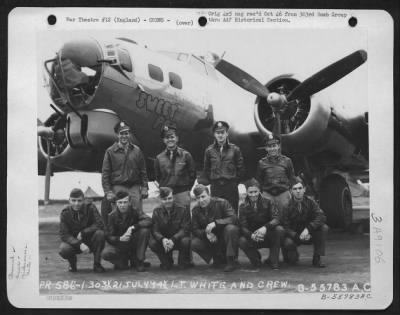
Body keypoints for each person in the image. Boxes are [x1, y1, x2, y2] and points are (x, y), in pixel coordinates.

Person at [101, 120, 149, 224]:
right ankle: (118, 238)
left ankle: (137, 235)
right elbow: (105, 174)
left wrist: (145, 187)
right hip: (118, 186)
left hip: (134, 186)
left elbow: (143, 171)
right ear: (117, 135)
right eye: (121, 133)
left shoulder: (137, 151)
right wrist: (108, 191)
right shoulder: (110, 151)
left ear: (129, 134)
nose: (124, 136)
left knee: (137, 213)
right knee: (118, 214)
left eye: (126, 133)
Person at [191, 184, 240, 272]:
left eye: (203, 196)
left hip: (225, 235)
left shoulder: (222, 202)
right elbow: (194, 229)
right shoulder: (195, 210)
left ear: (209, 194)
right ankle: (217, 258)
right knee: (194, 243)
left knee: (231, 229)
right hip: (211, 239)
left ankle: (231, 261)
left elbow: (234, 218)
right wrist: (207, 234)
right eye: (198, 198)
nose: (201, 200)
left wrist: (216, 223)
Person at [281, 177, 328, 268]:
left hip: (308, 233)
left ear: (304, 189)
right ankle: (292, 253)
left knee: (323, 228)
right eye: (295, 189)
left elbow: (321, 216)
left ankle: (317, 258)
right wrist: (296, 236)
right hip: (294, 236)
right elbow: (285, 226)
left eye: (300, 188)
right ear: (291, 191)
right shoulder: (286, 206)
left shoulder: (311, 202)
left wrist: (308, 229)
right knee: (290, 257)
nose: (298, 191)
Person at [238, 179, 285, 270]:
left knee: (279, 230)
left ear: (259, 191)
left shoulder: (269, 201)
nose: (253, 195)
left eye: (255, 191)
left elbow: (276, 219)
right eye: (250, 192)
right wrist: (251, 235)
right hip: (253, 236)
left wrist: (265, 228)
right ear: (247, 192)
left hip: (267, 234)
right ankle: (256, 259)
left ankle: (273, 260)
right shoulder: (243, 206)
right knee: (241, 240)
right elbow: (243, 226)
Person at [200, 121, 244, 214]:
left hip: (230, 187)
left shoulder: (235, 149)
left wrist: (234, 182)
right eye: (218, 133)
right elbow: (206, 169)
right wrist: (213, 181)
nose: (220, 135)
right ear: (214, 134)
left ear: (227, 133)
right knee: (216, 213)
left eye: (222, 132)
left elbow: (240, 168)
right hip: (216, 187)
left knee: (232, 213)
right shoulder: (209, 150)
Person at [101, 191, 152, 271]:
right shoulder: (111, 216)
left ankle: (139, 261)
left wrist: (133, 227)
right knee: (105, 253)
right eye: (120, 202)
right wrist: (119, 239)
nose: (122, 205)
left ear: (129, 203)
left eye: (125, 202)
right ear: (116, 203)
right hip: (120, 244)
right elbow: (108, 236)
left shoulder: (135, 211)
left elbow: (149, 220)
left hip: (133, 242)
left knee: (145, 231)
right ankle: (121, 261)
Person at [59, 188, 106, 273]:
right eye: (73, 200)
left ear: (83, 200)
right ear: (69, 200)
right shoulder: (65, 213)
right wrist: (79, 244)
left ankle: (97, 264)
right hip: (75, 243)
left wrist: (84, 232)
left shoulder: (91, 207)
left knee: (100, 234)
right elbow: (64, 235)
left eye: (79, 201)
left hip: (90, 241)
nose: (76, 203)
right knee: (64, 249)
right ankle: (72, 265)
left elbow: (100, 224)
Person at [154, 125, 196, 210]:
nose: (170, 140)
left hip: (182, 193)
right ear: (164, 140)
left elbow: (192, 174)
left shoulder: (186, 155)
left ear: (177, 138)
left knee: (184, 219)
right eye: (167, 137)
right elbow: (158, 177)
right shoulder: (159, 158)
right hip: (166, 194)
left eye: (172, 137)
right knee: (167, 219)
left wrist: (186, 189)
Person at [149, 187, 192, 270]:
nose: (168, 201)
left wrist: (173, 239)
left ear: (173, 198)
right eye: (165, 199)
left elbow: (185, 228)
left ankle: (182, 261)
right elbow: (155, 230)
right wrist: (163, 239)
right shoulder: (156, 211)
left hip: (178, 240)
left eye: (170, 198)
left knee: (186, 240)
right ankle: (166, 260)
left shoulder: (183, 209)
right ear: (161, 200)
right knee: (152, 243)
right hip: (164, 241)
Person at [255, 134, 296, 216]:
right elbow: (259, 180)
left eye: (274, 146)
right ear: (266, 148)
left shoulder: (287, 161)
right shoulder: (261, 163)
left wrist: (290, 193)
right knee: (267, 218)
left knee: (286, 218)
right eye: (269, 146)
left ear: (278, 146)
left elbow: (291, 177)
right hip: (268, 195)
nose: (272, 149)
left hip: (283, 194)